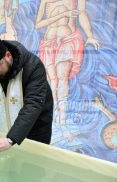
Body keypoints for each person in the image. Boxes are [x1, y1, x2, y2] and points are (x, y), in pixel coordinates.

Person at [0, 35, 53, 154]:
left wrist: (11, 139)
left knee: (33, 163)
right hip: (8, 130)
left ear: (8, 56)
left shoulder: (33, 66)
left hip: (35, 127)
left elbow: (33, 105)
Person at [35, 0, 99, 130]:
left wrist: (90, 35)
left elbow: (82, 13)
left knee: (62, 79)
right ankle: (54, 116)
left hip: (68, 40)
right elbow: (38, 24)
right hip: (48, 42)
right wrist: (63, 14)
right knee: (52, 82)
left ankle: (63, 122)